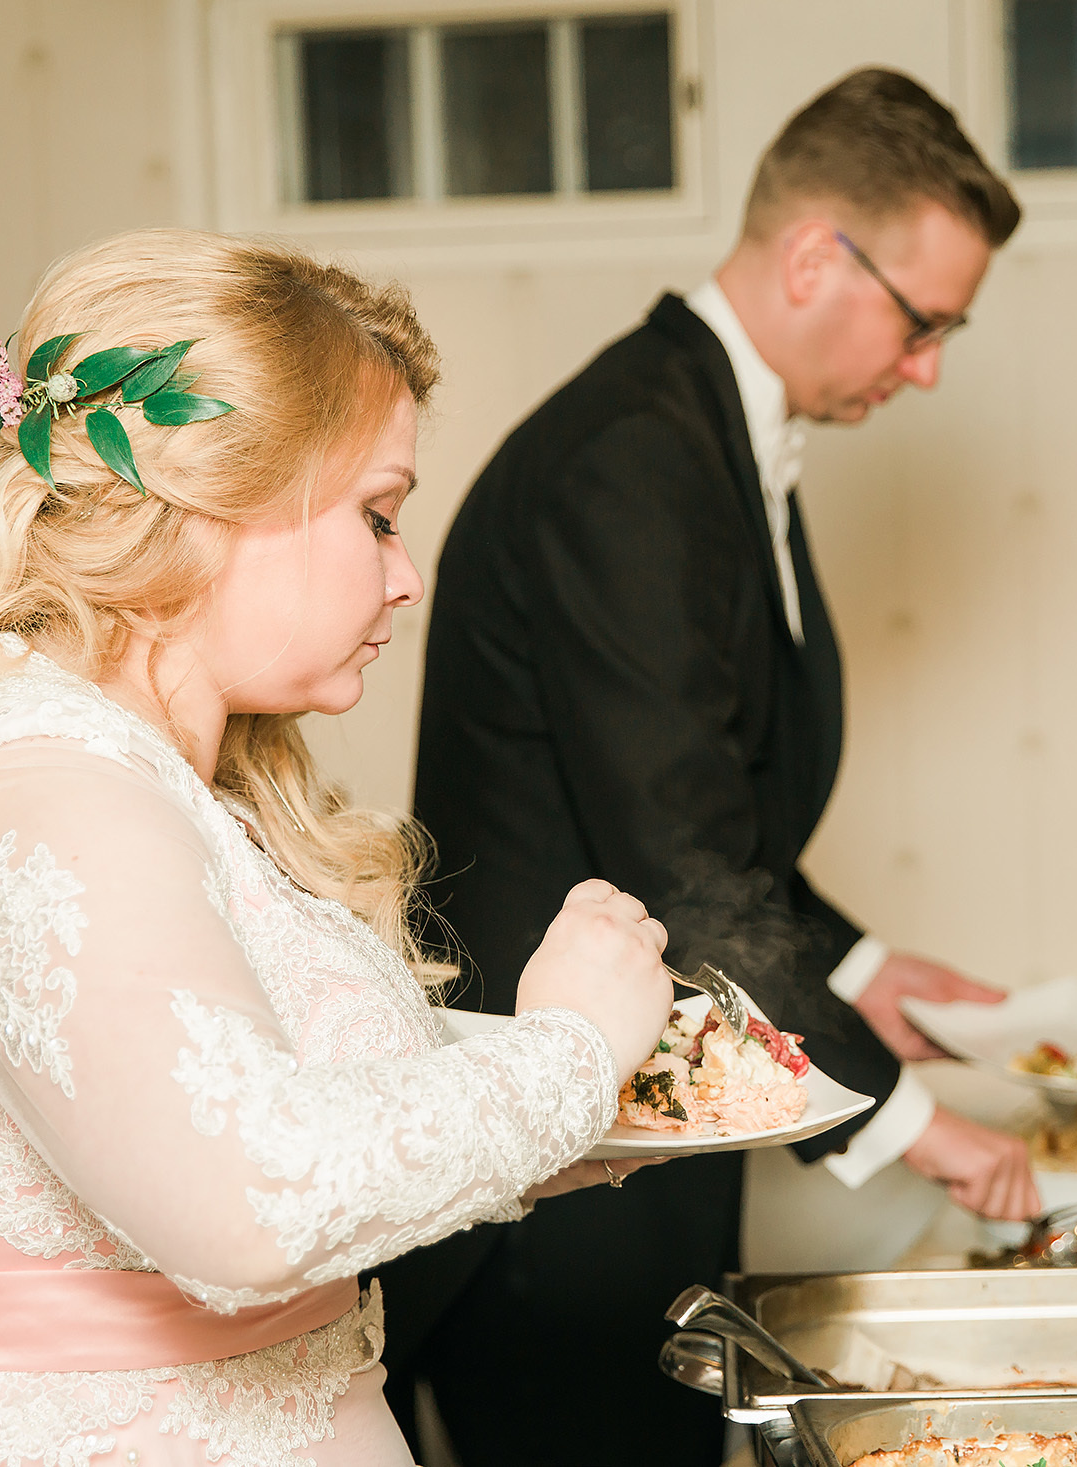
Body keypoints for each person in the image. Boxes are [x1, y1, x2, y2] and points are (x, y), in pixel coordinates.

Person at [0, 228, 674, 1466]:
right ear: (214, 501)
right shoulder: (46, 790)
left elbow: (202, 1111)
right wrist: (571, 1053)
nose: (407, 578)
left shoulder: (125, 763)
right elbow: (249, 1206)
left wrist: (550, 1127)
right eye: (378, 515)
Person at [391, 68, 1042, 1465]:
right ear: (816, 256)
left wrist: (863, 968)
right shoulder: (633, 453)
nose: (928, 366)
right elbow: (678, 851)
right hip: (550, 1185)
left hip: (634, 1127)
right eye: (923, 322)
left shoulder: (697, 429)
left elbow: (690, 795)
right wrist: (904, 1122)